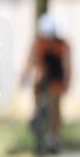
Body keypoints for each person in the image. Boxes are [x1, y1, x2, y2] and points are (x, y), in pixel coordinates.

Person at [21, 13, 71, 149]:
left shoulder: (62, 45)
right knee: (37, 85)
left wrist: (67, 82)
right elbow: (30, 61)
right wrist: (24, 77)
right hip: (43, 75)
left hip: (57, 76)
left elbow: (67, 66)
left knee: (55, 102)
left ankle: (54, 135)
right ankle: (37, 112)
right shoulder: (38, 43)